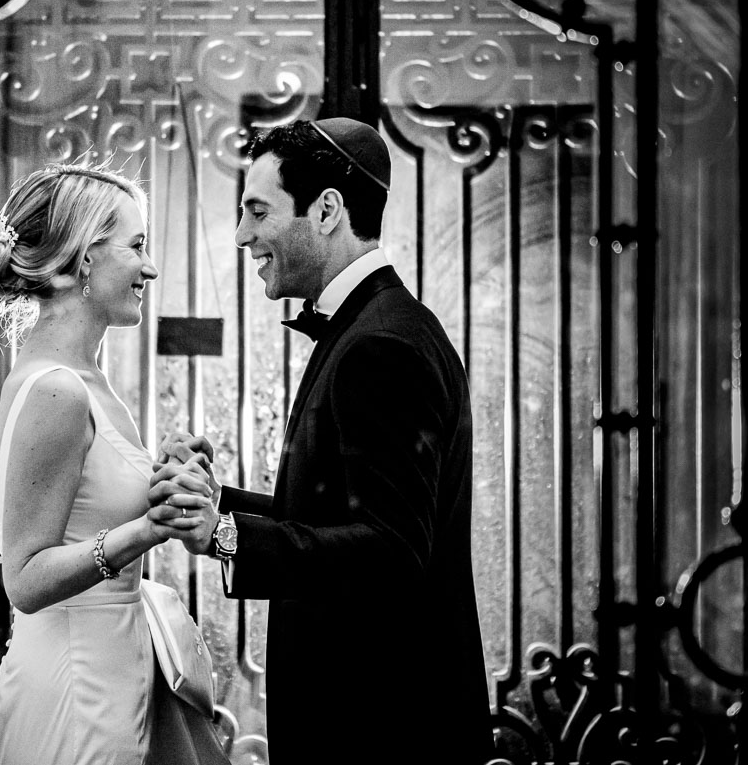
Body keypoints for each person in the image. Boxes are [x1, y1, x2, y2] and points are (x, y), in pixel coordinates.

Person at [147, 119, 494, 764]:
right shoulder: (375, 326)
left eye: (258, 210)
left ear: (328, 209)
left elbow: (390, 552)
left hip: (382, 731)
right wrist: (217, 504)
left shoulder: (380, 345)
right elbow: (336, 516)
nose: (243, 233)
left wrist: (225, 539)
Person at [0, 163, 226, 765]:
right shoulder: (57, 389)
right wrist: (147, 527)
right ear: (85, 259)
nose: (150, 267)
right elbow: (25, 580)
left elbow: (88, 510)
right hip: (74, 688)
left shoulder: (90, 383)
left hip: (114, 672)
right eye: (136, 247)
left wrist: (169, 474)